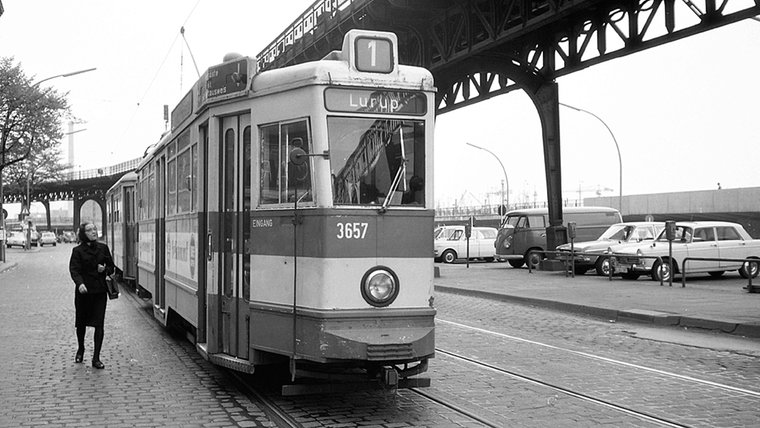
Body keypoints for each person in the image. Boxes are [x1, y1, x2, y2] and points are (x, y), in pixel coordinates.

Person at [69, 222, 115, 369]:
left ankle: (96, 358)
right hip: (84, 292)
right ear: (83, 234)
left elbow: (112, 267)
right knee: (81, 323)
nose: (93, 232)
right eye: (89, 230)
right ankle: (81, 349)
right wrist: (80, 283)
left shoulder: (103, 248)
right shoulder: (77, 251)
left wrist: (105, 269)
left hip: (99, 292)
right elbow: (74, 270)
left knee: (99, 324)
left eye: (94, 229)